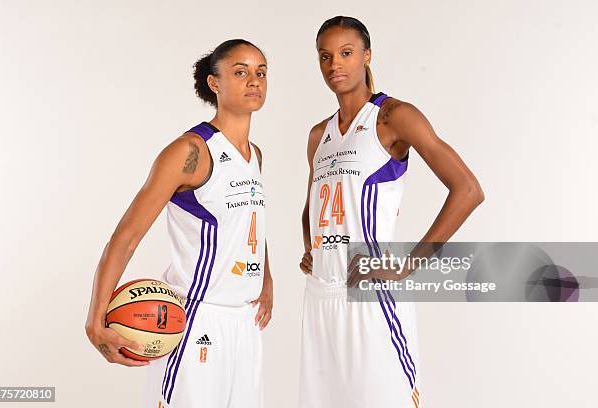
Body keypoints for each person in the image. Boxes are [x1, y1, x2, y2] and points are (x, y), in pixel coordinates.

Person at [299, 16, 484, 408]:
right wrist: (311, 249)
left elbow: (467, 190)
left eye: (346, 53)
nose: (335, 65)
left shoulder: (393, 116)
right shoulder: (320, 133)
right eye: (325, 56)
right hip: (321, 296)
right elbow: (312, 205)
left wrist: (406, 265)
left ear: (367, 55)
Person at [85, 39, 273, 408]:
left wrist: (265, 276)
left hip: (245, 324)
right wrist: (95, 320)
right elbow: (126, 237)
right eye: (240, 72)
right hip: (197, 319)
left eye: (260, 72)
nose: (254, 80)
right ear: (214, 83)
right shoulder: (190, 152)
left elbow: (249, 222)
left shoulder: (255, 156)